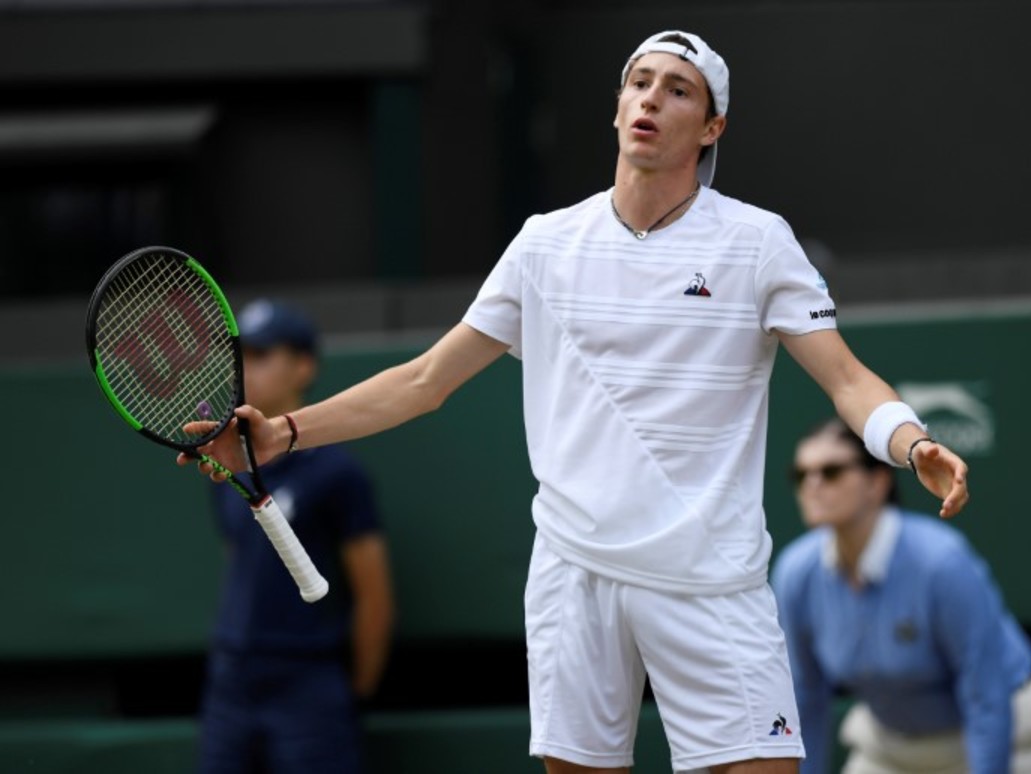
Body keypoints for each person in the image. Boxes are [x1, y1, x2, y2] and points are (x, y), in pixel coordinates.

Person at [181, 30, 969, 774]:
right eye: (639, 83)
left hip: (712, 581)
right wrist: (283, 432)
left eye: (678, 90)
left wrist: (908, 439)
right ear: (619, 108)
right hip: (575, 574)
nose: (651, 98)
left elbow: (845, 377)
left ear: (711, 127)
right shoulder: (543, 244)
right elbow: (426, 380)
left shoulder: (758, 241)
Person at [770, 417, 1031, 774]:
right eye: (801, 475)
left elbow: (985, 696)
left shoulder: (941, 563)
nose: (812, 485)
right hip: (891, 748)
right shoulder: (795, 572)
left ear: (878, 482)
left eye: (831, 472)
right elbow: (805, 697)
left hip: (1006, 734)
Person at [197, 298, 395, 774]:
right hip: (231, 682)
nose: (246, 369)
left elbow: (375, 597)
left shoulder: (338, 474)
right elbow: (236, 559)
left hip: (309, 684)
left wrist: (354, 693)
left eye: (262, 355)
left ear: (303, 366)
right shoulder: (224, 468)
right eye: (242, 356)